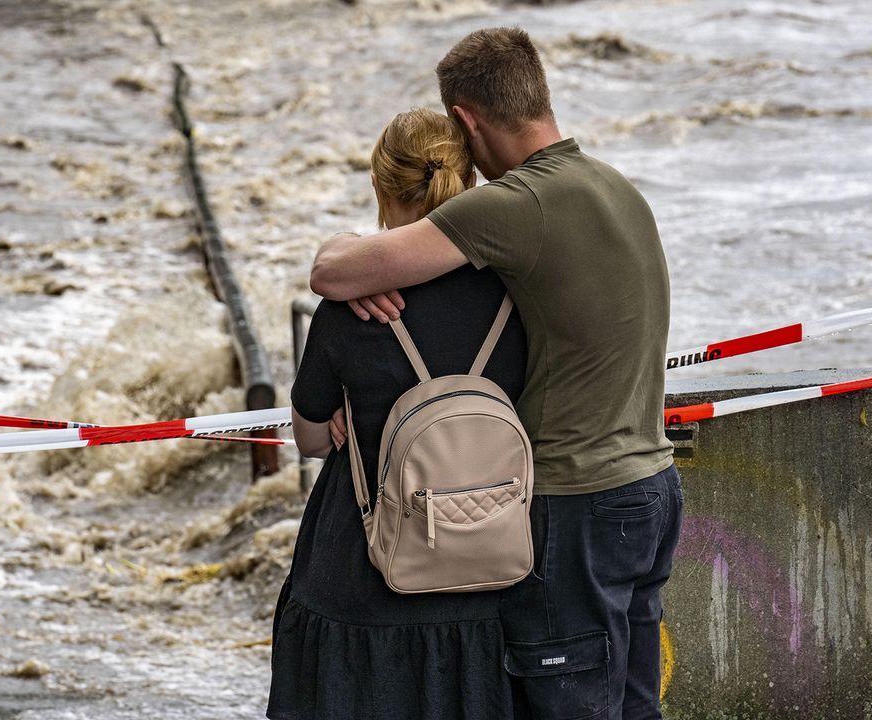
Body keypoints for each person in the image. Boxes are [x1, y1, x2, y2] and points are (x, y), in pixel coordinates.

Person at [308, 28, 683, 720]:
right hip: (652, 488)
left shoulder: (512, 205)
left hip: (578, 505)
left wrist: (353, 263)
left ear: (465, 122)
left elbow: (332, 273)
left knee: (567, 706)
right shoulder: (612, 185)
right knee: (635, 708)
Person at [268, 108, 528, 719]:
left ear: (382, 188)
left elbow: (309, 438)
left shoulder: (352, 304)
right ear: (466, 183)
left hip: (360, 579)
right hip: (487, 582)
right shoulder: (521, 295)